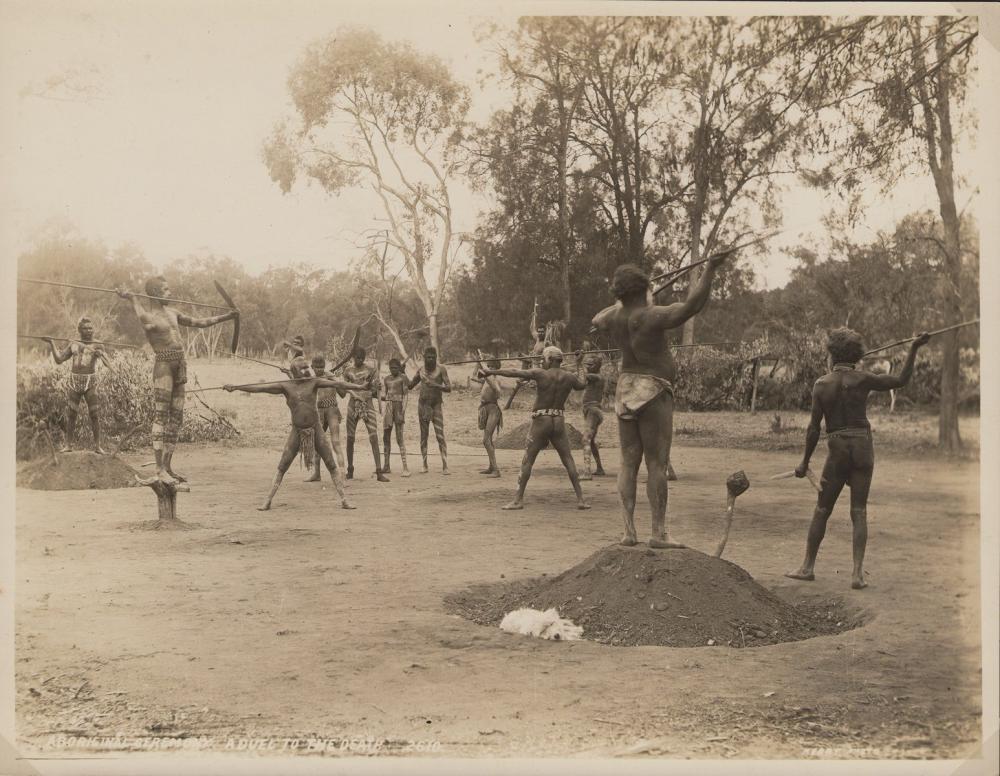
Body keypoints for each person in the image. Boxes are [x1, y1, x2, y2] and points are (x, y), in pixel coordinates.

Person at [591, 254, 731, 548]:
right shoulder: (652, 316)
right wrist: (710, 268)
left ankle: (629, 532)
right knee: (657, 463)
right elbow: (691, 306)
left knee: (628, 462)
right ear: (643, 288)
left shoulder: (614, 317)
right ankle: (658, 533)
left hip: (625, 388)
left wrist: (623, 301)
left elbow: (597, 319)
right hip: (653, 388)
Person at [785, 328, 930, 589]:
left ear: (831, 355)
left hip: (838, 448)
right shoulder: (863, 378)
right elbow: (901, 380)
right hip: (863, 446)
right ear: (856, 355)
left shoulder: (821, 384)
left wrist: (804, 463)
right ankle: (857, 575)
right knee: (859, 511)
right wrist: (914, 348)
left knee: (822, 509)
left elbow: (814, 429)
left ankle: (807, 567)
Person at [118, 276, 237, 484]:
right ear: (154, 293)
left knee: (177, 418)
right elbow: (141, 318)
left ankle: (168, 466)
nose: (169, 293)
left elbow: (199, 323)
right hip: (163, 367)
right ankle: (159, 470)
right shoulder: (148, 316)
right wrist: (133, 298)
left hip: (180, 365)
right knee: (161, 416)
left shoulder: (173, 313)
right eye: (165, 290)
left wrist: (227, 317)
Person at [224, 357, 365, 510]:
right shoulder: (286, 386)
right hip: (297, 431)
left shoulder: (314, 382)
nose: (306, 371)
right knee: (282, 465)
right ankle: (268, 500)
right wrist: (236, 387)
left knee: (331, 463)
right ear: (294, 372)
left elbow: (338, 384)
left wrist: (361, 387)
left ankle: (344, 500)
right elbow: (260, 388)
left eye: (306, 367)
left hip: (316, 428)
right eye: (302, 369)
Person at [483, 346, 590, 510]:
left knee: (528, 460)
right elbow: (582, 384)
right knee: (568, 459)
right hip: (559, 419)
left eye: (544, 358)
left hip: (541, 420)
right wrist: (579, 363)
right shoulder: (569, 377)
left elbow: (514, 372)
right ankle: (581, 500)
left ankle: (518, 500)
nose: (542, 361)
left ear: (550, 359)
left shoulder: (541, 374)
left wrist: (492, 372)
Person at [44, 317, 112, 453]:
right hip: (74, 381)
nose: (88, 331)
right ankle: (68, 445)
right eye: (85, 328)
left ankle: (97, 446)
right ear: (80, 330)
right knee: (71, 414)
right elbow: (59, 360)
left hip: (90, 381)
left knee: (94, 414)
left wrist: (101, 355)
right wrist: (52, 343)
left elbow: (109, 364)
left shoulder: (98, 345)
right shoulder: (73, 344)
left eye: (90, 328)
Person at [343, 346, 389, 482]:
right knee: (350, 438)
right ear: (353, 358)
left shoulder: (371, 370)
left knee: (373, 436)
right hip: (353, 404)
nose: (360, 360)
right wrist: (354, 393)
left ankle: (379, 472)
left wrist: (377, 387)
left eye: (362, 358)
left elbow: (375, 389)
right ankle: (350, 470)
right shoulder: (347, 371)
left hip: (368, 403)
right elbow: (345, 389)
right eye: (357, 358)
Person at [407, 347, 451, 474]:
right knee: (424, 436)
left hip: (436, 405)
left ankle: (445, 466)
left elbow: (449, 388)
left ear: (436, 357)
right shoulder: (421, 371)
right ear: (424, 357)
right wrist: (402, 373)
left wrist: (436, 385)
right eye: (428, 357)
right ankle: (424, 465)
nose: (430, 359)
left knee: (440, 435)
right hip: (423, 405)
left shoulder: (441, 370)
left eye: (433, 357)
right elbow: (410, 386)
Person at [304, 354, 348, 483]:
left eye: (322, 367)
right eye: (317, 367)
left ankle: (343, 476)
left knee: (336, 443)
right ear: (312, 367)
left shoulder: (330, 377)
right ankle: (316, 474)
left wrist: (335, 381)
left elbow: (343, 394)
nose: (319, 370)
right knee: (317, 443)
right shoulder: (311, 379)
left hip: (332, 411)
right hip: (318, 412)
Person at [470, 356, 504, 477]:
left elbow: (498, 391)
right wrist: (478, 363)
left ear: (497, 368)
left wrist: (486, 375)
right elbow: (474, 378)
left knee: (486, 440)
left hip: (493, 410)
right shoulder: (487, 378)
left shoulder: (495, 379)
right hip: (485, 409)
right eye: (488, 366)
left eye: (492, 367)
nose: (489, 368)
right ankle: (491, 467)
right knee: (488, 440)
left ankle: (496, 470)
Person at [577, 354, 607, 479]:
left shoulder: (597, 377)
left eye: (591, 364)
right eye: (587, 364)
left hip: (593, 411)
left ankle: (587, 472)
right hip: (590, 411)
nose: (588, 367)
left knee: (586, 439)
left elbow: (582, 378)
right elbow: (580, 380)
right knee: (592, 442)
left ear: (598, 366)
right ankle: (599, 468)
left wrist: (579, 363)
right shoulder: (592, 377)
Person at [381, 358, 411, 477]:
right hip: (388, 408)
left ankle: (405, 468)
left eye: (395, 367)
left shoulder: (403, 378)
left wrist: (402, 411)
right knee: (385, 437)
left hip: (398, 408)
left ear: (399, 368)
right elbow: (386, 395)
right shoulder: (387, 379)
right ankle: (386, 466)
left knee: (399, 438)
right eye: (391, 367)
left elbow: (406, 396)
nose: (392, 370)